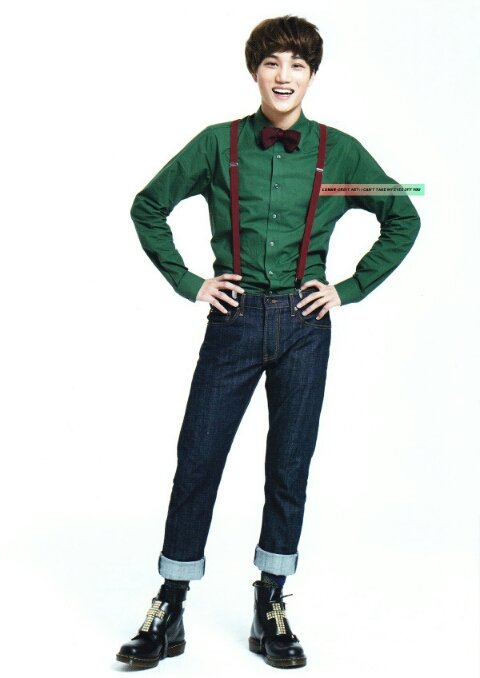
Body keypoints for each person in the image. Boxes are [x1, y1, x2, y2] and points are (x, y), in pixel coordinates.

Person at [116, 14, 421, 670]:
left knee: (289, 465)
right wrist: (191, 282)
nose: (284, 76)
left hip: (305, 327)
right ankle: (170, 602)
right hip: (234, 320)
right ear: (255, 71)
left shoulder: (338, 154)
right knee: (198, 457)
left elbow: (404, 210)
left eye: (297, 65)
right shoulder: (217, 144)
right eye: (272, 63)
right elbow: (147, 205)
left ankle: (271, 600)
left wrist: (349, 287)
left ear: (312, 75)